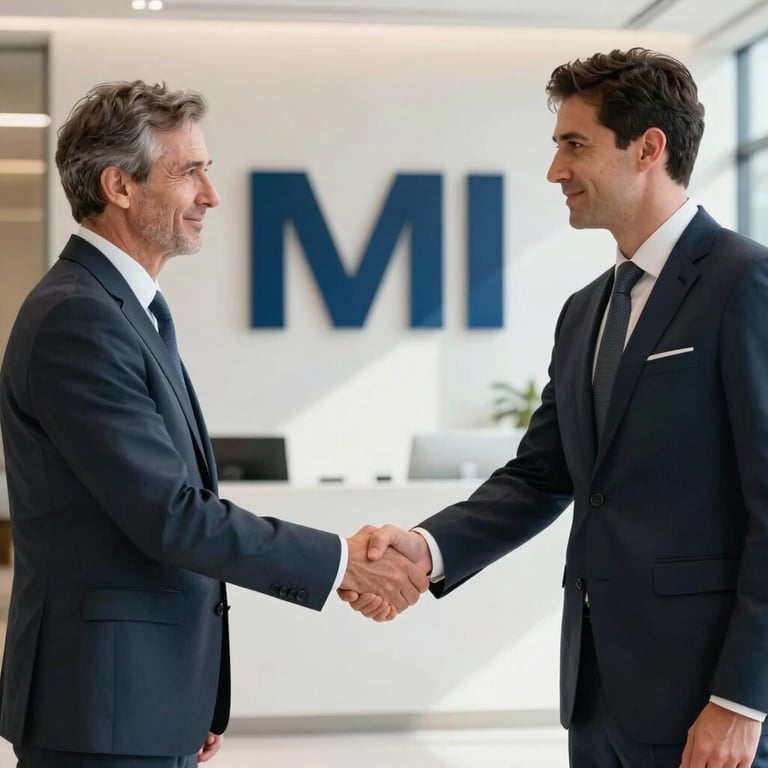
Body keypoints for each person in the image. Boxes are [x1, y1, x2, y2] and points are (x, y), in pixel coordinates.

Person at [343, 48, 768, 768]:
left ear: (648, 149)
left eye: (575, 145)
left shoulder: (746, 284)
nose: (555, 172)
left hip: (708, 700)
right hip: (597, 695)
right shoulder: (584, 313)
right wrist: (427, 548)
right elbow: (543, 474)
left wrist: (742, 699)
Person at [0, 80, 425, 767]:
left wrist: (184, 696)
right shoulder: (78, 318)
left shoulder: (121, 310)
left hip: (139, 700)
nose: (211, 195)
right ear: (120, 186)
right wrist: (344, 562)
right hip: (99, 711)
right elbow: (170, 515)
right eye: (189, 171)